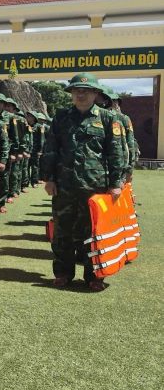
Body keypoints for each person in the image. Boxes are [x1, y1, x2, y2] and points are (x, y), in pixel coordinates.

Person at [41, 73, 127, 291]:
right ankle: (63, 273)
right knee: (63, 233)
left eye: (86, 90)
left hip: (96, 187)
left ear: (95, 93)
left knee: (94, 234)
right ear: (71, 93)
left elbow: (116, 153)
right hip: (65, 186)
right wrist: (49, 178)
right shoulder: (61, 117)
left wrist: (116, 183)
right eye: (77, 90)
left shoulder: (108, 118)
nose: (81, 94)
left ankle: (94, 276)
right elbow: (50, 149)